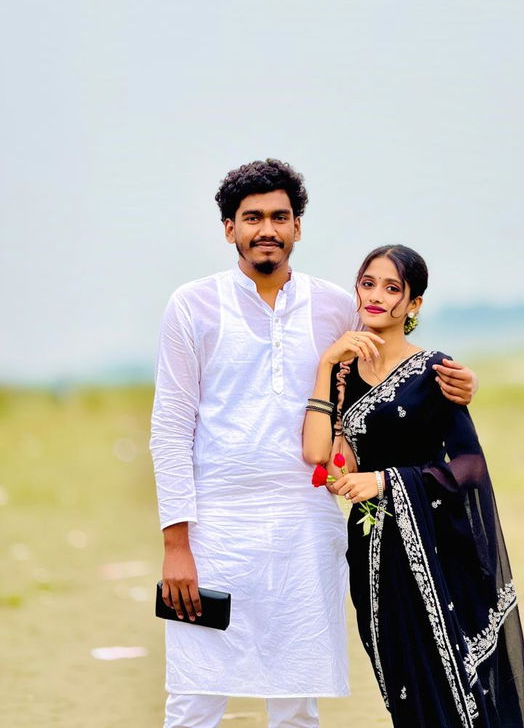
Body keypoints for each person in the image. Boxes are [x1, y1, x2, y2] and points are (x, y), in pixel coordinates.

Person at [150, 161, 478, 728]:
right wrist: (177, 542)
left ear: (298, 227)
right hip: (215, 526)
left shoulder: (333, 307)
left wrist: (458, 382)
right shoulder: (192, 305)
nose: (266, 229)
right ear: (229, 228)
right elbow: (171, 425)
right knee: (195, 695)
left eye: (280, 216)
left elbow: (392, 360)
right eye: (252, 218)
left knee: (297, 697)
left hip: (307, 521)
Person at [302, 244, 524, 727]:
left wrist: (387, 481)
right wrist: (326, 368)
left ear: (414, 305)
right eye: (368, 283)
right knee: (402, 684)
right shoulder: (343, 371)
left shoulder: (434, 371)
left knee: (453, 684)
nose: (376, 297)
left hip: (436, 547)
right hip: (373, 554)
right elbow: (321, 458)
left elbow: (470, 466)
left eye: (393, 288)